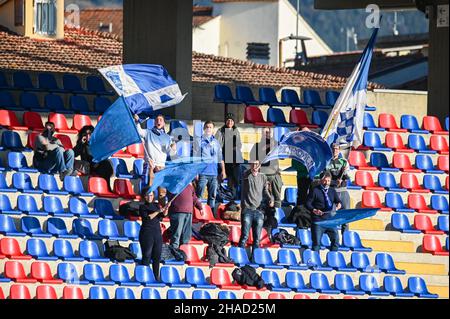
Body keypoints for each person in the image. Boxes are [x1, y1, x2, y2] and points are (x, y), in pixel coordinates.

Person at [239, 160, 274, 252]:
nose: (254, 166)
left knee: (257, 239)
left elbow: (266, 191)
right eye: (253, 164)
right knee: (244, 236)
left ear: (260, 165)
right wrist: (251, 170)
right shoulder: (246, 175)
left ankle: (255, 257)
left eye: (256, 164)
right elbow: (246, 174)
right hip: (247, 210)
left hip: (259, 211)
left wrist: (270, 198)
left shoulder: (263, 177)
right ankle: (240, 255)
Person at [134, 114, 176, 187]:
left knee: (162, 190)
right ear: (154, 123)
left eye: (160, 120)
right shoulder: (148, 132)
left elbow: (167, 152)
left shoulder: (167, 137)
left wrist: (173, 149)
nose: (158, 121)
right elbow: (139, 131)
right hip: (149, 164)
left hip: (161, 166)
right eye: (157, 120)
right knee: (148, 187)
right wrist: (137, 121)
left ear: (163, 123)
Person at [306, 171, 342, 252]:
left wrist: (339, 204)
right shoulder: (315, 190)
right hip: (318, 221)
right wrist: (314, 210)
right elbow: (308, 203)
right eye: (325, 180)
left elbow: (338, 201)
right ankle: (315, 262)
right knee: (316, 244)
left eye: (328, 181)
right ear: (321, 181)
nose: (327, 183)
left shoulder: (332, 190)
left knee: (336, 240)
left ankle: (333, 259)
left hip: (329, 220)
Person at [195, 121, 226, 215]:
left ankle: (210, 215)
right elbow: (196, 158)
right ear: (204, 129)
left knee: (212, 196)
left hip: (214, 173)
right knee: (199, 195)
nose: (208, 129)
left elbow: (220, 158)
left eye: (210, 127)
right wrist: (196, 172)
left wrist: (223, 171)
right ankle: (197, 214)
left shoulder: (216, 142)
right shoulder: (199, 141)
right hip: (203, 173)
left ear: (213, 130)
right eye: (207, 127)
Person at [139, 188, 168, 280]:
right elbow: (148, 217)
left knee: (157, 256)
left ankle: (156, 277)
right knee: (147, 254)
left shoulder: (156, 205)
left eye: (151, 195)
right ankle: (145, 276)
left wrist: (166, 208)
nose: (149, 197)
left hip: (157, 233)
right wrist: (158, 211)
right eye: (148, 195)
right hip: (147, 233)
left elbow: (162, 216)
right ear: (144, 196)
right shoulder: (142, 207)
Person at [251, 127, 282, 208]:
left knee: (277, 197)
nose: (268, 134)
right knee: (261, 197)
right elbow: (252, 160)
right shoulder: (257, 145)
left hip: (274, 174)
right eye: (266, 132)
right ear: (262, 134)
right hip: (261, 175)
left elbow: (282, 157)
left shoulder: (276, 144)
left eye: (269, 132)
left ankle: (276, 215)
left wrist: (275, 146)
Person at [215, 113, 243, 200]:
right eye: (228, 120)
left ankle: (232, 194)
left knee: (234, 177)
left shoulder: (236, 131)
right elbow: (218, 145)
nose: (230, 122)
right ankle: (218, 194)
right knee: (220, 175)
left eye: (231, 120)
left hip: (233, 158)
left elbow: (239, 145)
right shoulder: (220, 131)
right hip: (223, 156)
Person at [167, 182, 203, 249]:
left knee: (186, 235)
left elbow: (194, 198)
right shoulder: (173, 185)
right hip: (177, 211)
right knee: (176, 234)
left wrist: (200, 207)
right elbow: (169, 196)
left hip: (188, 212)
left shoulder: (189, 186)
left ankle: (184, 251)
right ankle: (173, 252)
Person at [326, 143, 351, 233]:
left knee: (346, 217)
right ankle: (333, 236)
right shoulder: (327, 161)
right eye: (333, 148)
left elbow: (348, 177)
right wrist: (334, 182)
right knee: (332, 216)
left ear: (339, 150)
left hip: (343, 192)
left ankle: (345, 237)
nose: (334, 151)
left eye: (336, 149)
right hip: (332, 192)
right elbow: (325, 178)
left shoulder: (344, 161)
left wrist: (345, 172)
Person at [294, 127, 313, 206]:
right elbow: (295, 163)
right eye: (304, 133)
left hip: (312, 176)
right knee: (302, 197)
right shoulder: (297, 146)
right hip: (302, 176)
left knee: (312, 197)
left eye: (308, 133)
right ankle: (300, 214)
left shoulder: (312, 146)